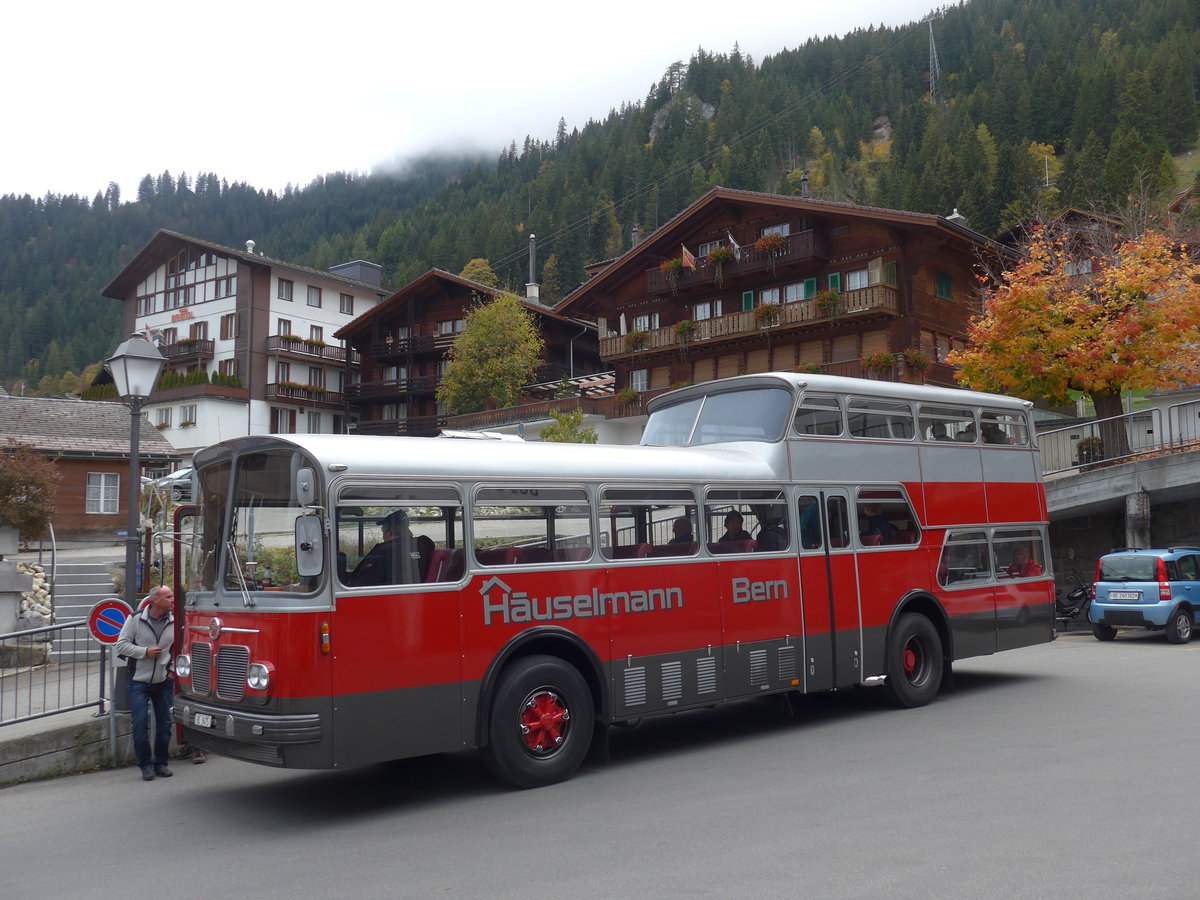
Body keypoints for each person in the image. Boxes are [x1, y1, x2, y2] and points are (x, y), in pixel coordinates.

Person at [116, 585, 175, 781]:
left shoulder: (175, 621)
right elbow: (122, 645)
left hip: (163, 681)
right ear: (155, 600)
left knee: (165, 724)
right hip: (138, 682)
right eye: (169, 596)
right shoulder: (135, 619)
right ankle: (145, 765)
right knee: (140, 725)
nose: (173, 599)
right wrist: (144, 652)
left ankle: (161, 763)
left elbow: (180, 647)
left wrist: (172, 671)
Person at [346, 511, 429, 586]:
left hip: (385, 596)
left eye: (383, 529)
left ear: (388, 531)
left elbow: (366, 579)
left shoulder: (385, 551)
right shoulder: (422, 545)